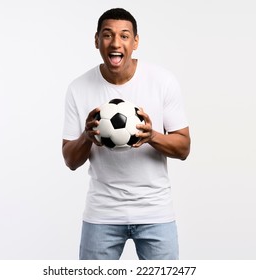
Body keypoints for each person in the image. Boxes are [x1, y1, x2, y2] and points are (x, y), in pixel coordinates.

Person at [62, 8, 191, 260]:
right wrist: (87, 137)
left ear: (135, 42)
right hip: (102, 213)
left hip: (155, 212)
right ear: (97, 40)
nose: (115, 43)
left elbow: (184, 148)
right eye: (108, 35)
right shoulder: (78, 88)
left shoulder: (162, 81)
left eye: (124, 35)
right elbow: (70, 160)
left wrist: (152, 136)